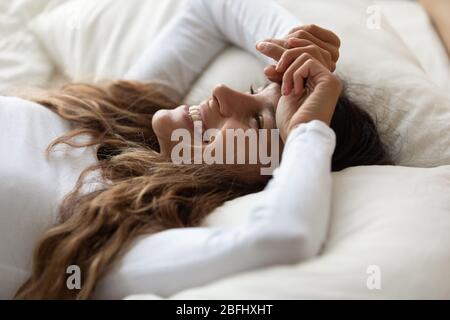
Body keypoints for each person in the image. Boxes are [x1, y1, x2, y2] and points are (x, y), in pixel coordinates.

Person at [10, 0, 391, 299]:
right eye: (255, 90)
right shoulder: (109, 124)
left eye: (258, 121)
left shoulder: (107, 238)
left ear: (258, 185)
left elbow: (281, 239)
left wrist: (307, 131)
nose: (223, 93)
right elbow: (211, 7)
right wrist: (294, 48)